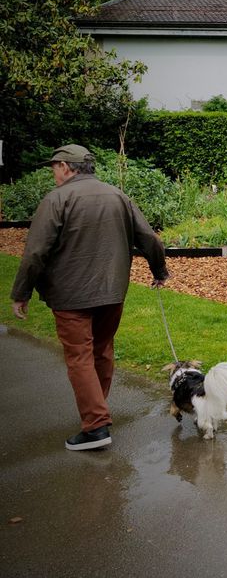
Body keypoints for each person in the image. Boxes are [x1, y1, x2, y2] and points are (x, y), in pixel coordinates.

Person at [10, 144, 169, 451]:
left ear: (66, 167)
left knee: (80, 356)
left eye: (54, 167)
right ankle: (97, 411)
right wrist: (159, 270)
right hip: (112, 292)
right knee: (102, 350)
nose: (53, 173)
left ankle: (95, 426)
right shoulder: (117, 195)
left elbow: (35, 253)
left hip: (71, 296)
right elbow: (149, 238)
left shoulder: (56, 199)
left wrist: (21, 293)